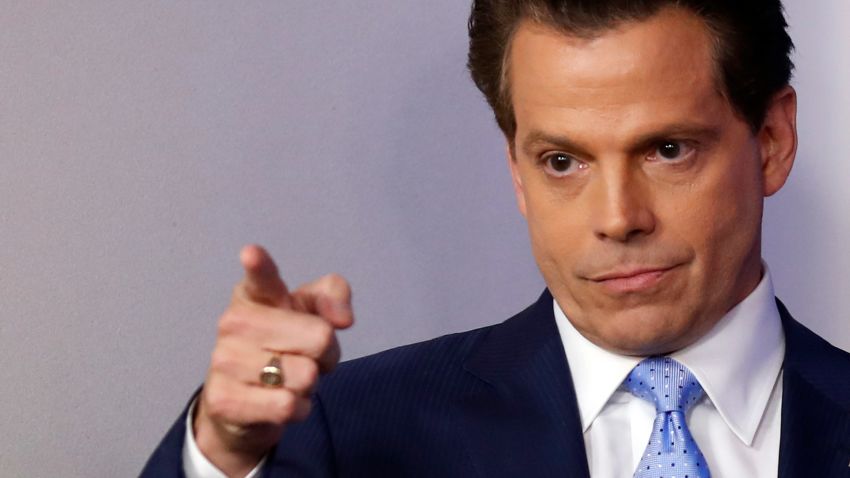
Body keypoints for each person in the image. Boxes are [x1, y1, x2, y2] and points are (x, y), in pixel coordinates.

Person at [143, 0, 850, 477]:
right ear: (517, 171)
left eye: (667, 150)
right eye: (563, 162)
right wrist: (225, 454)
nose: (616, 217)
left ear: (771, 142)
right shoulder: (344, 431)